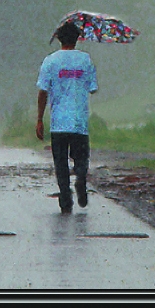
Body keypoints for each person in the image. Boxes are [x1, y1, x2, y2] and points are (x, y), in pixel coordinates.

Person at [36, 22, 98, 214]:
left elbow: (43, 91)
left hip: (59, 122)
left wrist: (39, 118)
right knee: (81, 157)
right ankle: (80, 177)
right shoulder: (85, 60)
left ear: (59, 38)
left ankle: (65, 197)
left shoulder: (50, 61)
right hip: (79, 121)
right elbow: (92, 88)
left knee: (60, 161)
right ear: (77, 39)